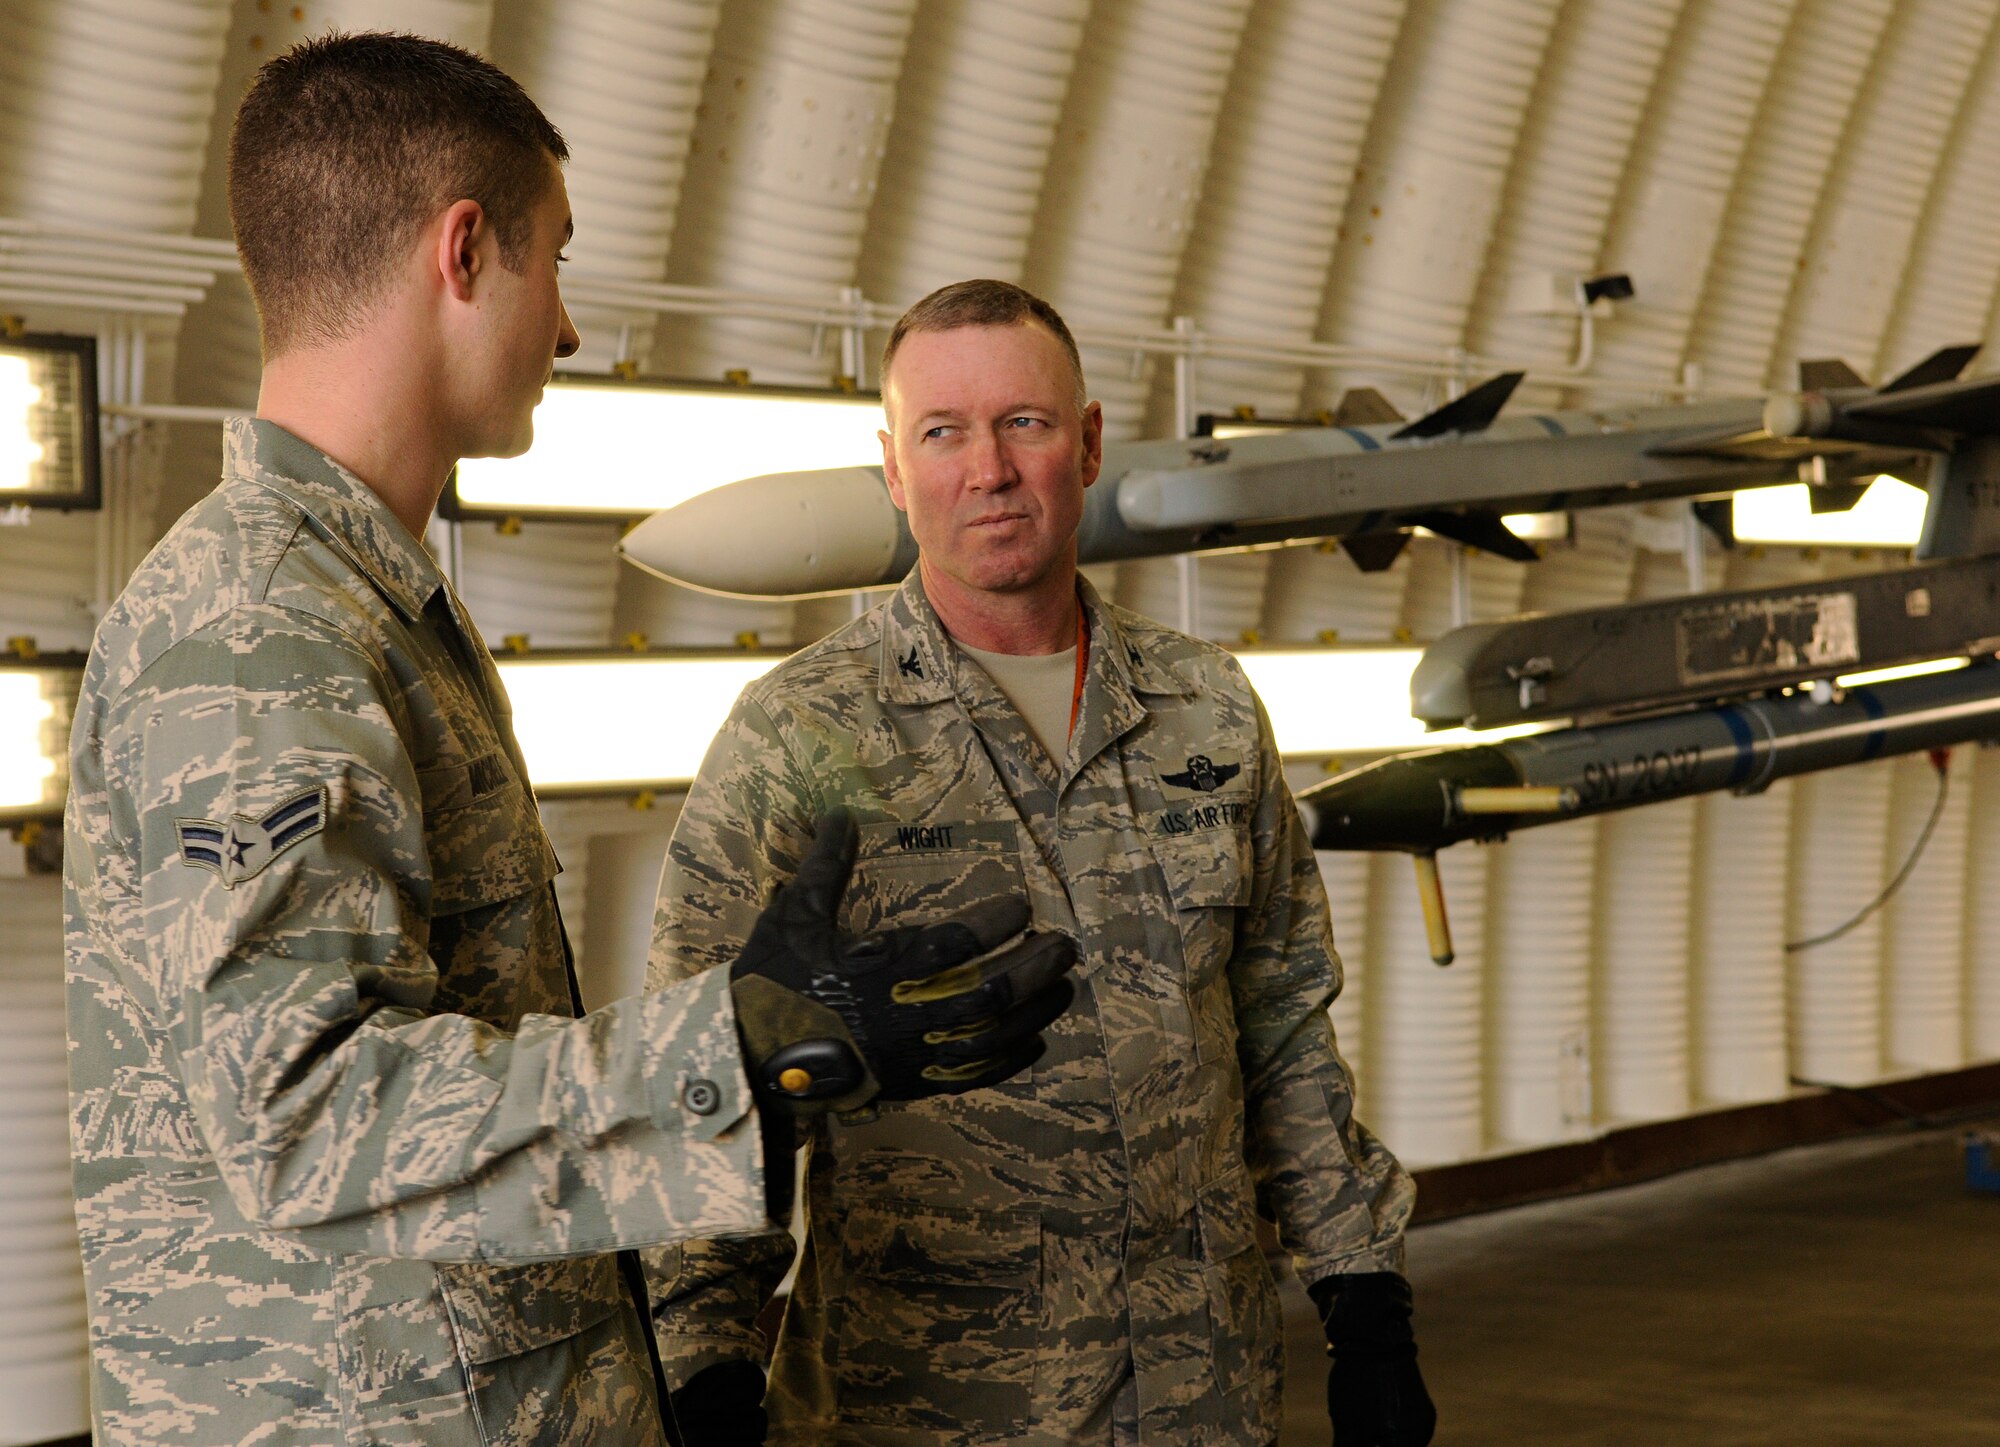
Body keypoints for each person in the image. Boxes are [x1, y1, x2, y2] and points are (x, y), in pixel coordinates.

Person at [63, 42, 1075, 1447]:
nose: (572, 326)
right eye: (556, 263)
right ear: (463, 252)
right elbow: (304, 1110)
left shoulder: (360, 602)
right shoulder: (256, 629)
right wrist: (739, 1050)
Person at [644, 278, 1436, 1446]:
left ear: (1089, 442)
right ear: (891, 467)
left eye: (1024, 422)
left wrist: (1362, 1295)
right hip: (930, 1403)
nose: (988, 469)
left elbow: (1277, 1016)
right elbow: (704, 1063)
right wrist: (705, 1361)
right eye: (941, 432)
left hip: (1203, 1392)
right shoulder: (800, 734)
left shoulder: (1204, 707)